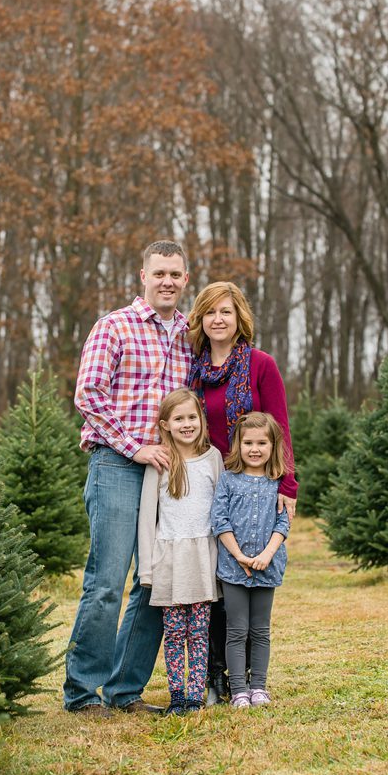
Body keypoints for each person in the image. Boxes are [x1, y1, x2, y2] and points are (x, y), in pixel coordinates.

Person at [64, 239, 193, 714]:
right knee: (106, 582)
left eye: (175, 274)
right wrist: (134, 446)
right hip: (116, 465)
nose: (167, 282)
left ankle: (124, 690)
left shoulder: (188, 336)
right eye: (159, 273)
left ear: (185, 279)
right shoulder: (114, 326)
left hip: (165, 473)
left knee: (155, 582)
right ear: (143, 276)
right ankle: (81, 693)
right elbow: (89, 395)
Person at [186, 280, 299, 706]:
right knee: (212, 582)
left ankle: (252, 679)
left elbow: (280, 427)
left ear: (240, 320)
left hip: (250, 482)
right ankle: (215, 676)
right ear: (201, 319)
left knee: (239, 585)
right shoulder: (193, 369)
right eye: (210, 312)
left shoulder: (259, 365)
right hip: (202, 483)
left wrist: (287, 484)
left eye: (226, 312)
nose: (218, 319)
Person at [136, 388, 222, 715]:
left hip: (202, 559)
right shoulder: (159, 461)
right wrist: (147, 568)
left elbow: (220, 512)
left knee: (199, 632)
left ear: (201, 420)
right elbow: (147, 518)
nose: (187, 424)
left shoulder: (212, 458)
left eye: (192, 417)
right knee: (173, 632)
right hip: (169, 559)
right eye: (179, 419)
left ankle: (195, 697)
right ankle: (176, 696)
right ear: (165, 424)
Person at [210, 411, 291, 710]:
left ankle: (258, 686)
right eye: (248, 443)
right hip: (234, 569)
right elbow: (219, 521)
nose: (254, 449)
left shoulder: (278, 483)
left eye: (262, 443)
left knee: (260, 630)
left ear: (273, 446)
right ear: (238, 445)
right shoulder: (229, 480)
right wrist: (240, 556)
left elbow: (283, 523)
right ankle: (239, 689)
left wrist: (267, 554)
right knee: (236, 629)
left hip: (267, 568)